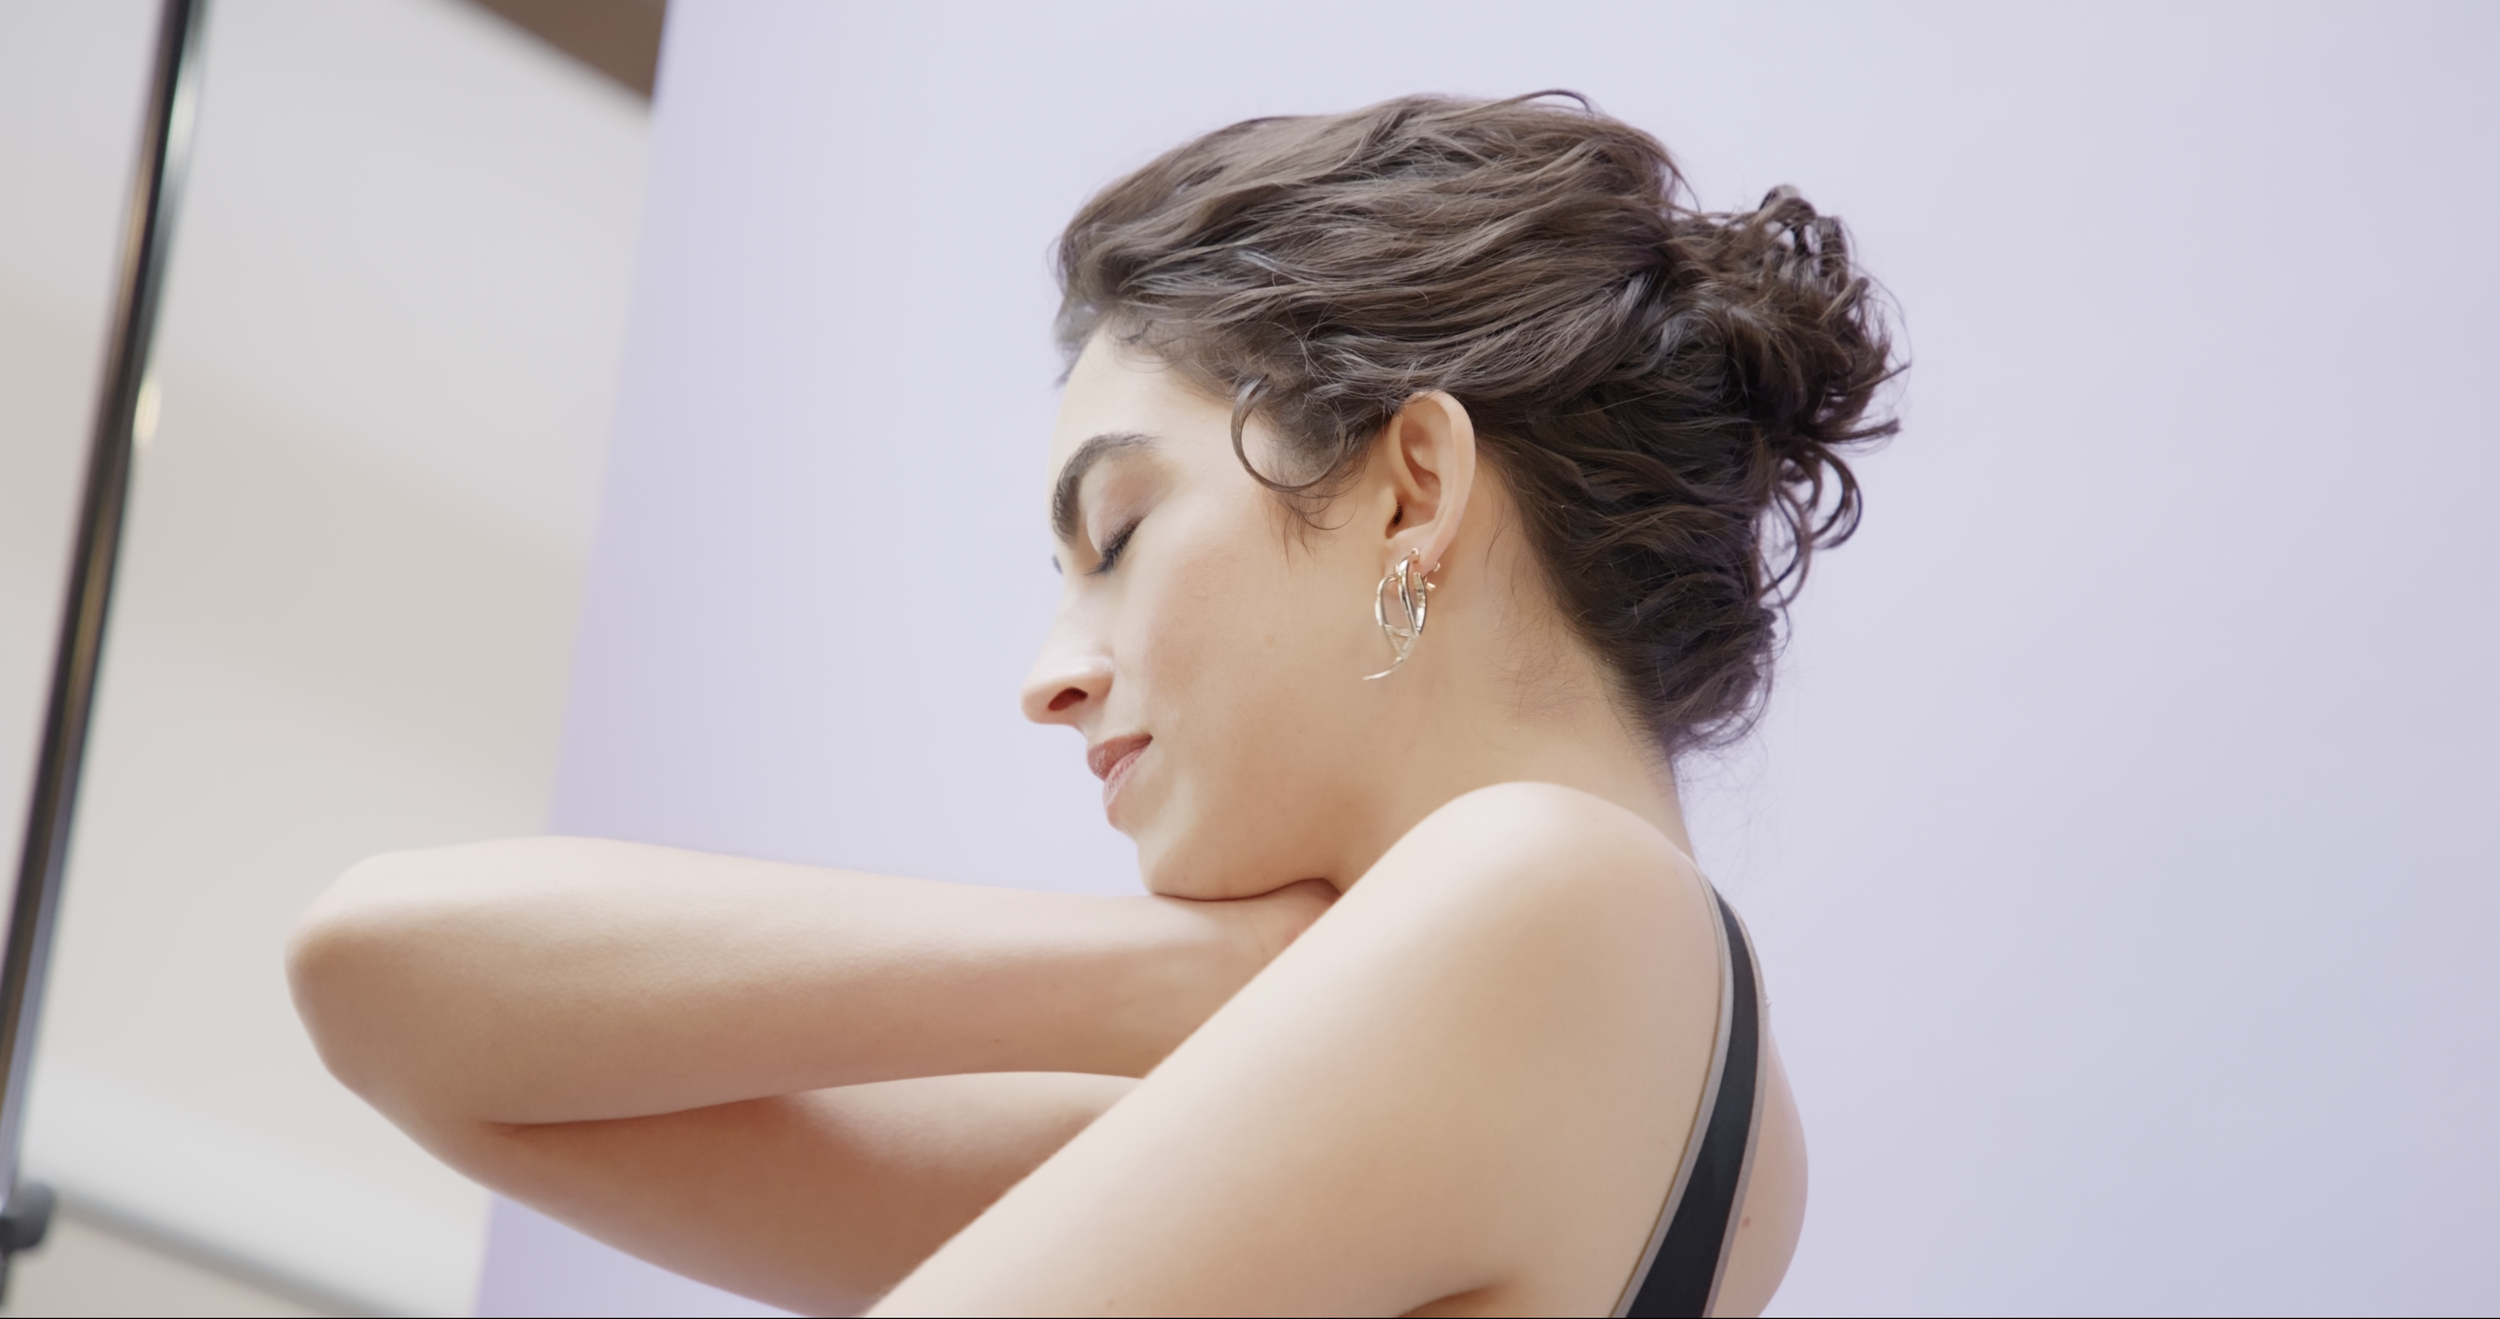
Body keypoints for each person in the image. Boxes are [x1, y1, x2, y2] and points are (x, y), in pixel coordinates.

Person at [286, 92, 1896, 1317]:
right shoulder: (1677, 1083)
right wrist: (1195, 977)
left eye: (1116, 536)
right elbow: (383, 979)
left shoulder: (1560, 900)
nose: (1049, 673)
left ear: (1414, 489)